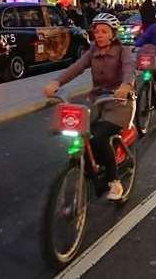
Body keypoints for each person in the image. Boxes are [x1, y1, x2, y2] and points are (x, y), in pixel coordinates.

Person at [43, 13, 134, 201]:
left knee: (99, 137)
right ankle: (88, 167)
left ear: (112, 34)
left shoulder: (123, 50)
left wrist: (126, 86)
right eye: (96, 31)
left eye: (104, 31)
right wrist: (56, 82)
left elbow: (129, 68)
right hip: (98, 101)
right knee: (82, 133)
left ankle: (114, 181)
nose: (99, 35)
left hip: (119, 103)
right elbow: (76, 67)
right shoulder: (92, 50)